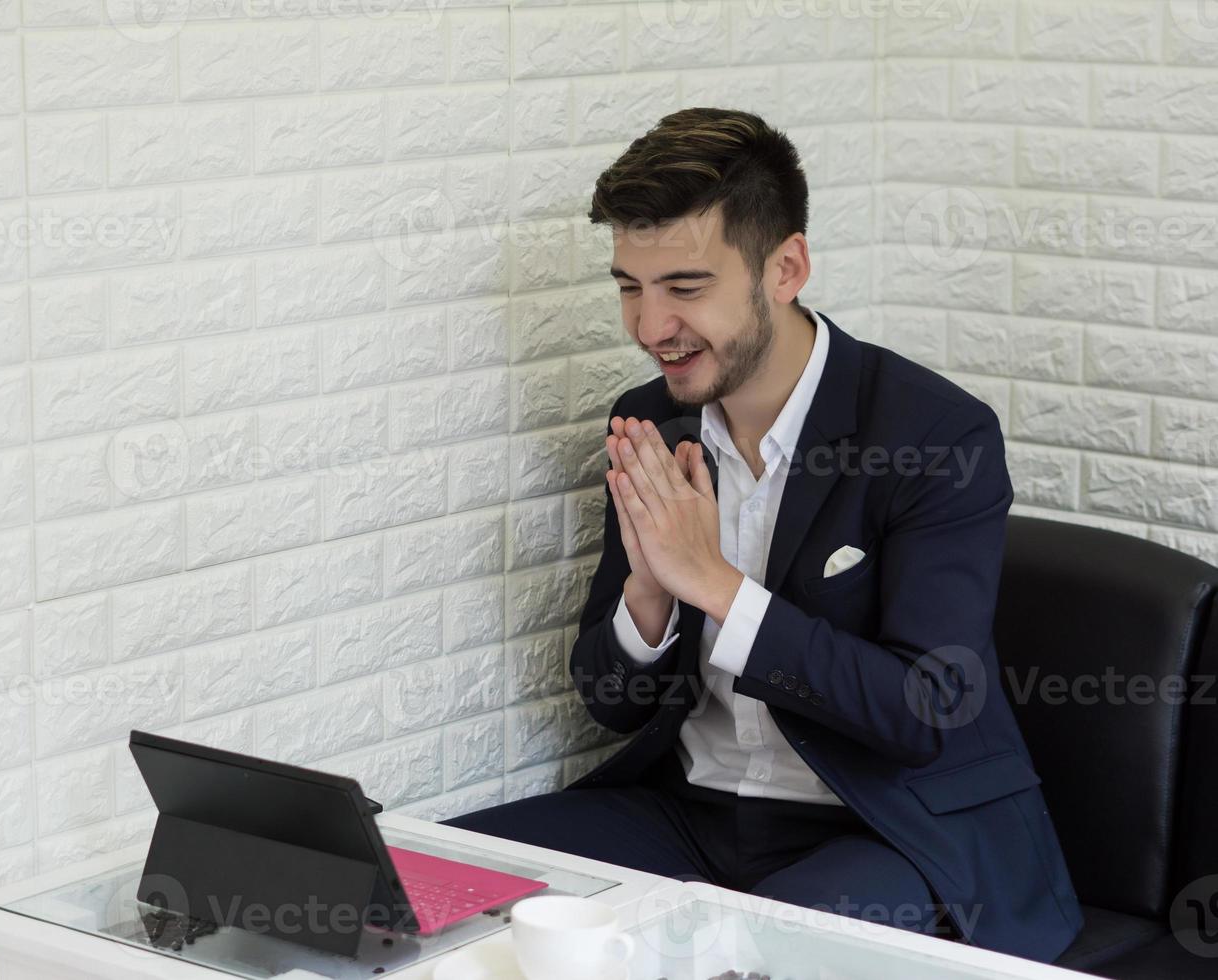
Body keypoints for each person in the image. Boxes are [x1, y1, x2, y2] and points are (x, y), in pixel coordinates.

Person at [442, 108, 1082, 963]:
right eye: (630, 286)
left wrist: (716, 586)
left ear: (785, 268)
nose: (648, 325)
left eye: (686, 287)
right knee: (433, 882)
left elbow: (924, 712)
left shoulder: (936, 436)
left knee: (737, 954)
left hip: (886, 829)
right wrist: (651, 592)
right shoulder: (649, 421)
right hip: (689, 811)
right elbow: (610, 702)